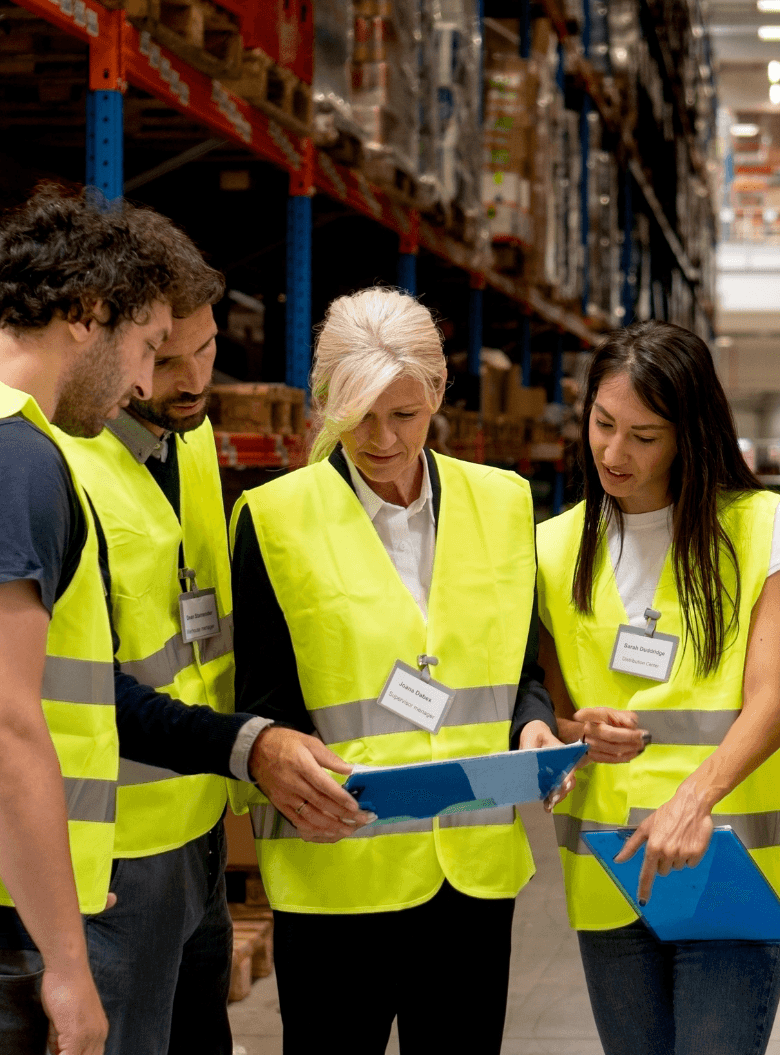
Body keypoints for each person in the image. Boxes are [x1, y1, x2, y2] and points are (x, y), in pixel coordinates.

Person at [0, 187, 363, 1055]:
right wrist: (67, 963)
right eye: (147, 347)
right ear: (88, 315)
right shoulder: (11, 459)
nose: (142, 381)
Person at [230, 286, 570, 1055]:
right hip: (338, 874)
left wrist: (534, 723)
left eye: (404, 415)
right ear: (324, 401)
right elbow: (263, 702)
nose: (381, 439)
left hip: (472, 877)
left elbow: (519, 673)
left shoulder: (503, 503)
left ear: (439, 396)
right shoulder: (274, 518)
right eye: (357, 417)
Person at [536, 320, 780, 1055]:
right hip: (610, 869)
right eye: (602, 424)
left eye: (644, 436)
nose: (613, 453)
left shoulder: (760, 528)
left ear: (689, 434)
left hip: (724, 863)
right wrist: (573, 737)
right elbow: (555, 714)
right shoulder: (553, 547)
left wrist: (692, 802)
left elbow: (770, 702)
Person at [56, 229, 260, 1054]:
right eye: (166, 360)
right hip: (116, 845)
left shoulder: (195, 437)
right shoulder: (67, 458)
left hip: (199, 819)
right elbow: (77, 680)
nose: (189, 381)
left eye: (206, 351)